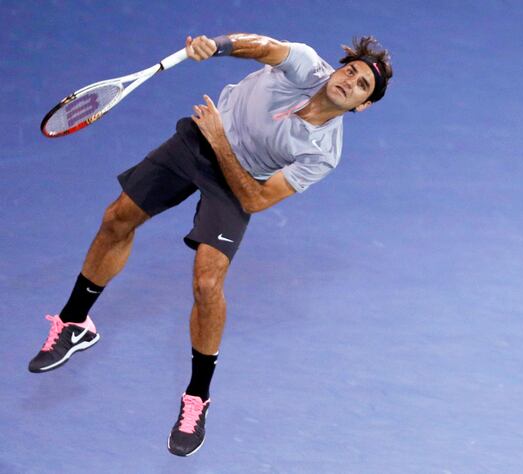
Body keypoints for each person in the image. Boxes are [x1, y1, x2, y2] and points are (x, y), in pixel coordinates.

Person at [27, 32, 392, 456]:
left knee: (207, 284)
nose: (349, 81)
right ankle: (75, 323)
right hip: (198, 142)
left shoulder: (324, 152)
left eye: (361, 85)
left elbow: (255, 200)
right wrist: (216, 46)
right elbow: (259, 46)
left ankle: (197, 398)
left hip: (238, 179)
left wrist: (222, 140)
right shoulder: (307, 65)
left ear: (363, 105)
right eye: (350, 70)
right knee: (117, 219)